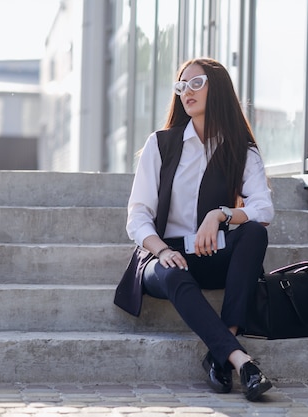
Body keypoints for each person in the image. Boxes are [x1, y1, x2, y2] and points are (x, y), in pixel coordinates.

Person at [115, 57, 274, 401]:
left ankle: (222, 347)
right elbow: (137, 216)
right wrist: (162, 250)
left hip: (210, 250)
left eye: (196, 83)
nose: (187, 91)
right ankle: (240, 360)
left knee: (255, 233)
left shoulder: (240, 150)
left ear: (216, 89)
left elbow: (263, 208)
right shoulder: (161, 144)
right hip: (163, 254)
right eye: (181, 85)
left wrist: (222, 214)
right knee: (173, 273)